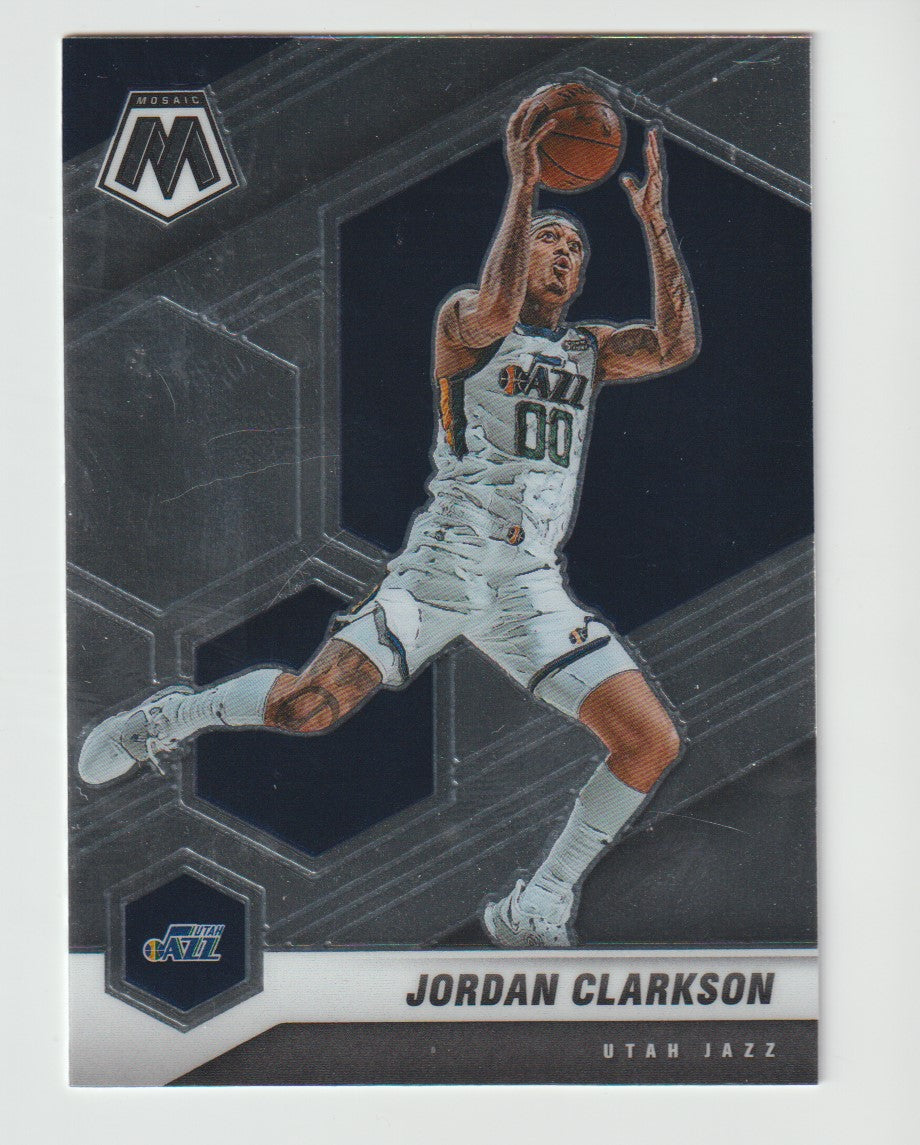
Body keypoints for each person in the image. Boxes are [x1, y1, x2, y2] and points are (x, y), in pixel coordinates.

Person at [78, 88, 699, 948]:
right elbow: (495, 307)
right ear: (521, 243)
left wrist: (657, 226)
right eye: (550, 237)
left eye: (575, 247)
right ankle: (174, 716)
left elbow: (673, 344)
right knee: (310, 710)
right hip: (443, 567)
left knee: (651, 741)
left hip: (529, 585)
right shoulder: (467, 324)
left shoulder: (586, 350)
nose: (563, 251)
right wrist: (525, 184)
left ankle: (542, 897)